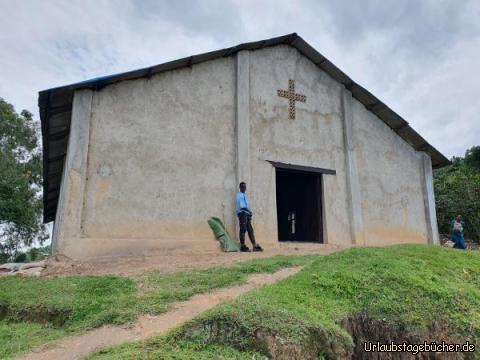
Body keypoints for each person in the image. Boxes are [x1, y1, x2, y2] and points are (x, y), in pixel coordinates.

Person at [236, 182, 263, 252]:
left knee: (250, 230)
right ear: (240, 188)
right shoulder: (240, 195)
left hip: (246, 214)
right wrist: (249, 212)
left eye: (245, 187)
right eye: (242, 187)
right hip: (242, 213)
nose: (244, 188)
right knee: (243, 229)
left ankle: (254, 245)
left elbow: (246, 206)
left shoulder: (244, 195)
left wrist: (249, 213)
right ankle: (242, 246)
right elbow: (242, 207)